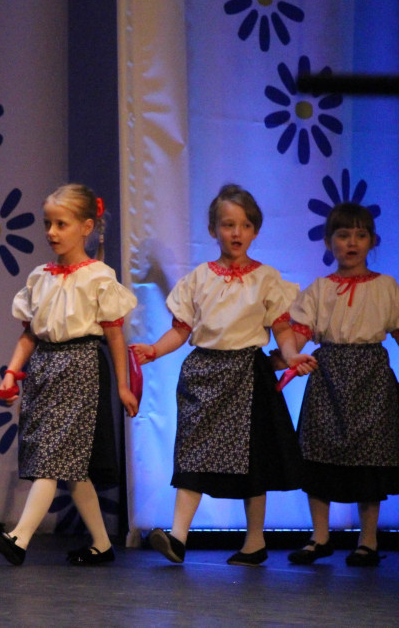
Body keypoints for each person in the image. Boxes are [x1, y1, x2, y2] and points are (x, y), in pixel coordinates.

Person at [131, 184, 316, 566]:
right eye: (228, 224)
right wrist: (154, 349)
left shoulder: (267, 279)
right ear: (213, 229)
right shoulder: (199, 278)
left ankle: (254, 542)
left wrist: (293, 354)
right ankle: (178, 538)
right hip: (205, 375)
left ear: (255, 231)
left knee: (254, 460)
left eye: (245, 225)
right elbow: (181, 330)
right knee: (193, 454)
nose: (236, 233)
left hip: (249, 376)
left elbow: (281, 329)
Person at [0, 184, 138, 566]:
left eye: (61, 224)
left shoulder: (98, 276)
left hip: (80, 368)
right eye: (48, 223)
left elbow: (115, 335)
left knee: (52, 458)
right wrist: (11, 372)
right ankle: (101, 545)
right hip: (44, 370)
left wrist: (122, 385)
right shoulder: (41, 277)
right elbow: (30, 334)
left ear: (86, 227)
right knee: (69, 464)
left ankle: (19, 538)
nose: (51, 232)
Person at [282, 202, 399, 567]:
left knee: (371, 458)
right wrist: (284, 357)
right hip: (329, 373)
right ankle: (320, 537)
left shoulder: (386, 286)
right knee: (318, 455)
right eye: (343, 235)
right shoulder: (319, 288)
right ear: (329, 241)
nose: (352, 242)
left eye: (360, 235)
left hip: (371, 377)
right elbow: (298, 335)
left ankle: (368, 540)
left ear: (371, 241)